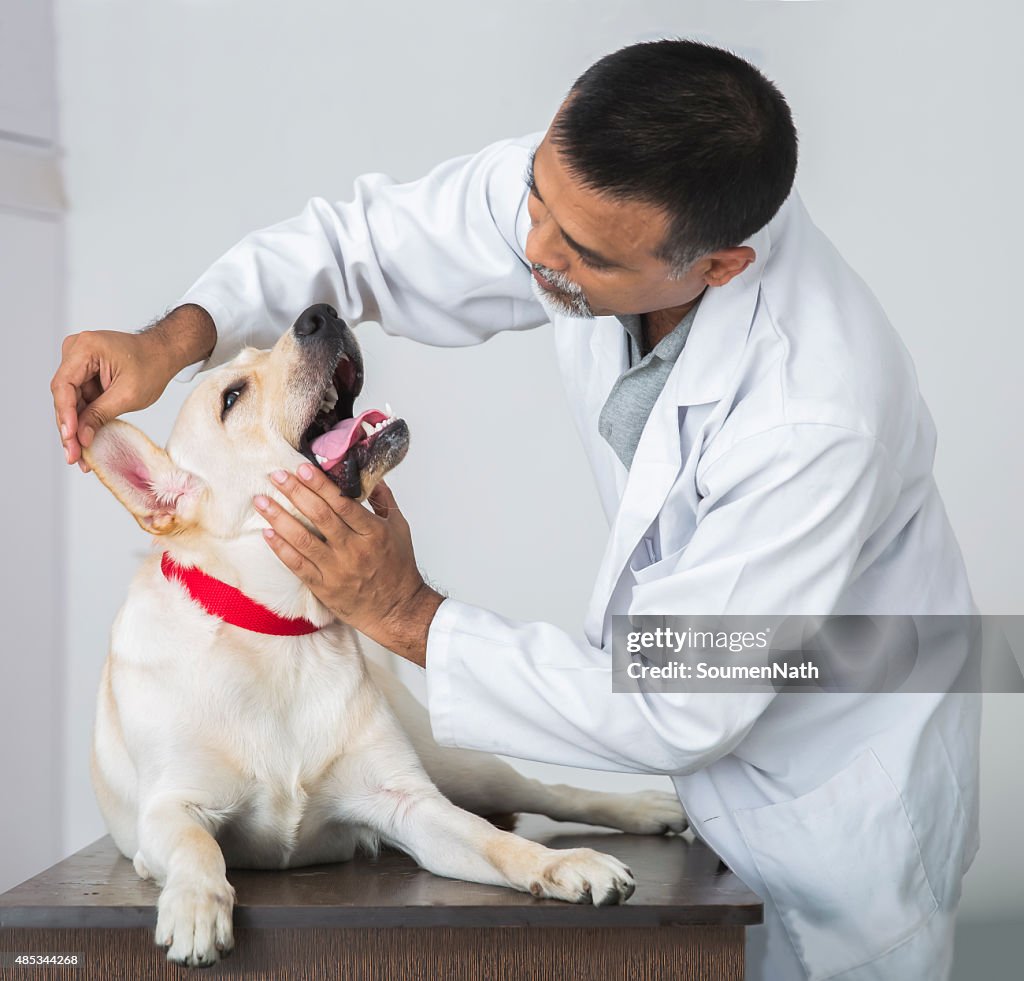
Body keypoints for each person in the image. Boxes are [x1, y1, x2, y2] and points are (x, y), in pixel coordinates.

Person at [51, 39, 979, 981]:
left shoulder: (815, 415)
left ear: (720, 266)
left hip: (834, 785)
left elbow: (681, 692)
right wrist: (170, 343)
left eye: (581, 252)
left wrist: (408, 616)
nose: (532, 249)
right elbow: (357, 247)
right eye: (536, 197)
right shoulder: (588, 187)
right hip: (699, 756)